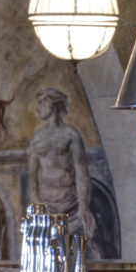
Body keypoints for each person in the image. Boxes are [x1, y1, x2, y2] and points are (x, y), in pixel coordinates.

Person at [24, 88, 94, 224]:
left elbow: (81, 172)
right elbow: (32, 174)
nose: (37, 109)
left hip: (71, 203)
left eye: (40, 103)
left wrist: (84, 206)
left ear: (51, 104)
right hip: (46, 205)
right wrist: (37, 202)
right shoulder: (37, 138)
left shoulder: (71, 134)